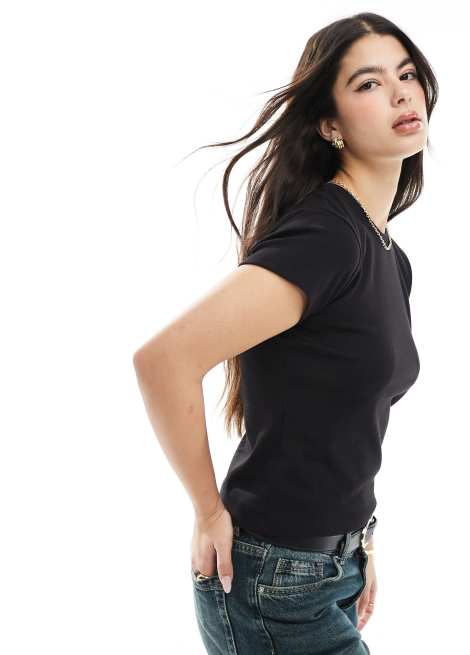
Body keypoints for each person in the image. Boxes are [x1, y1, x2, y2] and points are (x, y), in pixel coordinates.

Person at [133, 11, 437, 655]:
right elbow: (164, 360)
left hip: (328, 569)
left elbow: (342, 426)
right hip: (273, 582)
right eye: (369, 83)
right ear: (329, 125)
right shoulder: (328, 236)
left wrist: (357, 545)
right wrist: (207, 512)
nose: (400, 93)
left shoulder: (385, 252)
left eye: (407, 74)